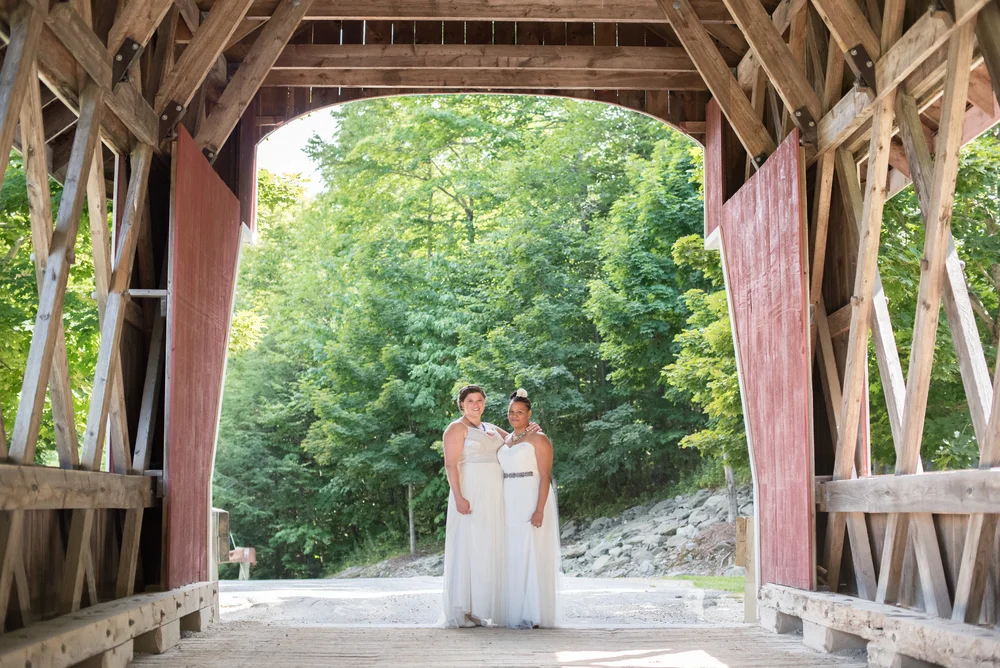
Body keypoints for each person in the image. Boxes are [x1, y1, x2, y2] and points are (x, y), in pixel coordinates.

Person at [441, 384, 538, 627]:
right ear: (462, 404)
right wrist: (459, 497)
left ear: (484, 403)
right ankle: (462, 608)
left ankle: (480, 608)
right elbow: (451, 465)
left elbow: (515, 440)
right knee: (468, 545)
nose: (475, 404)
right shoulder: (456, 428)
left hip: (494, 496)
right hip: (470, 493)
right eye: (470, 400)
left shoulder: (491, 428)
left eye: (479, 400)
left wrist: (532, 430)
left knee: (487, 547)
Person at [498, 389, 561, 628]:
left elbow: (545, 476)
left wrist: (539, 510)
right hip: (508, 498)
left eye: (520, 412)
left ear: (529, 414)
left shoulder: (539, 439)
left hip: (530, 496)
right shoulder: (506, 440)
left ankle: (534, 613)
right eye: (511, 412)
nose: (515, 416)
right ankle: (516, 609)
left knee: (531, 551)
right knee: (513, 554)